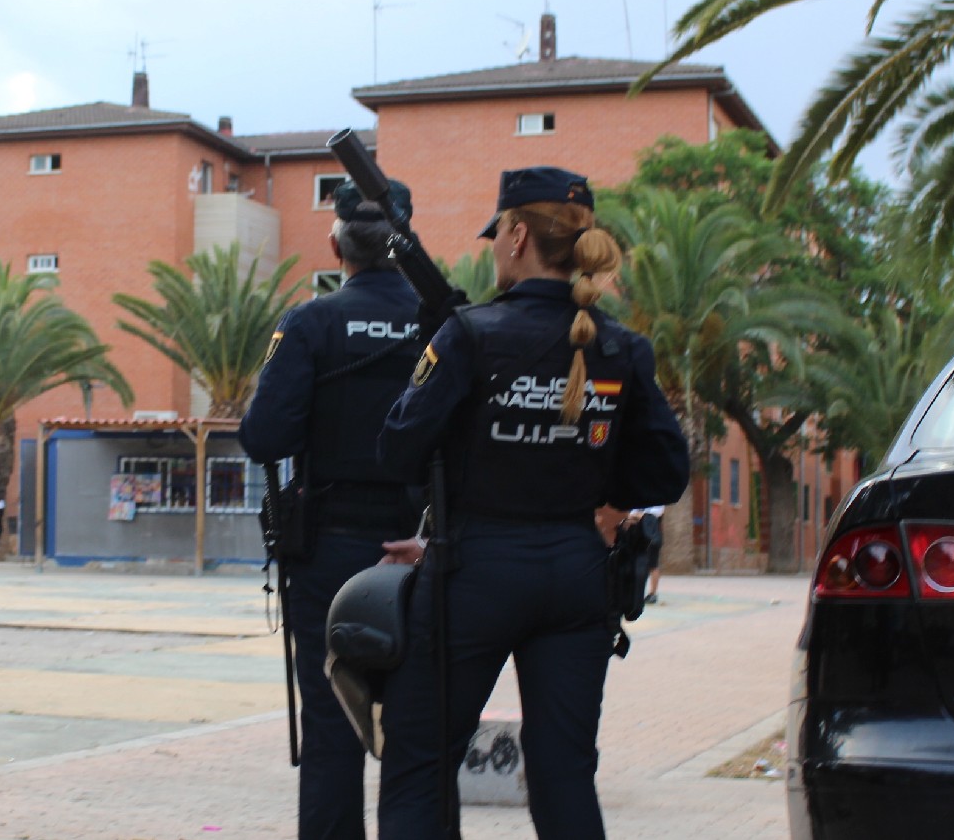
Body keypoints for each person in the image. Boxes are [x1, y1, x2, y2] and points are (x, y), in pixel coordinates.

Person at [373, 166, 689, 839]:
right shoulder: (622, 346)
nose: (493, 247)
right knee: (564, 770)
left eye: (497, 235)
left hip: (475, 570)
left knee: (420, 763)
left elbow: (396, 449)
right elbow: (667, 467)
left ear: (517, 236)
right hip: (578, 572)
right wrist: (607, 498)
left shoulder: (469, 333)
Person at [241, 178, 425, 840]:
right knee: (422, 735)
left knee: (331, 731)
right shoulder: (446, 321)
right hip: (425, 550)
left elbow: (263, 436)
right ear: (406, 243)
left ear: (335, 245)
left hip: (330, 553)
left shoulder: (311, 321)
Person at [631, 504, 665, 604]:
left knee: (653, 565)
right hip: (639, 536)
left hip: (652, 537)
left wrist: (640, 515)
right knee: (638, 564)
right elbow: (632, 514)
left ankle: (653, 594)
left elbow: (656, 514)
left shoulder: (659, 502)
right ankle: (637, 593)